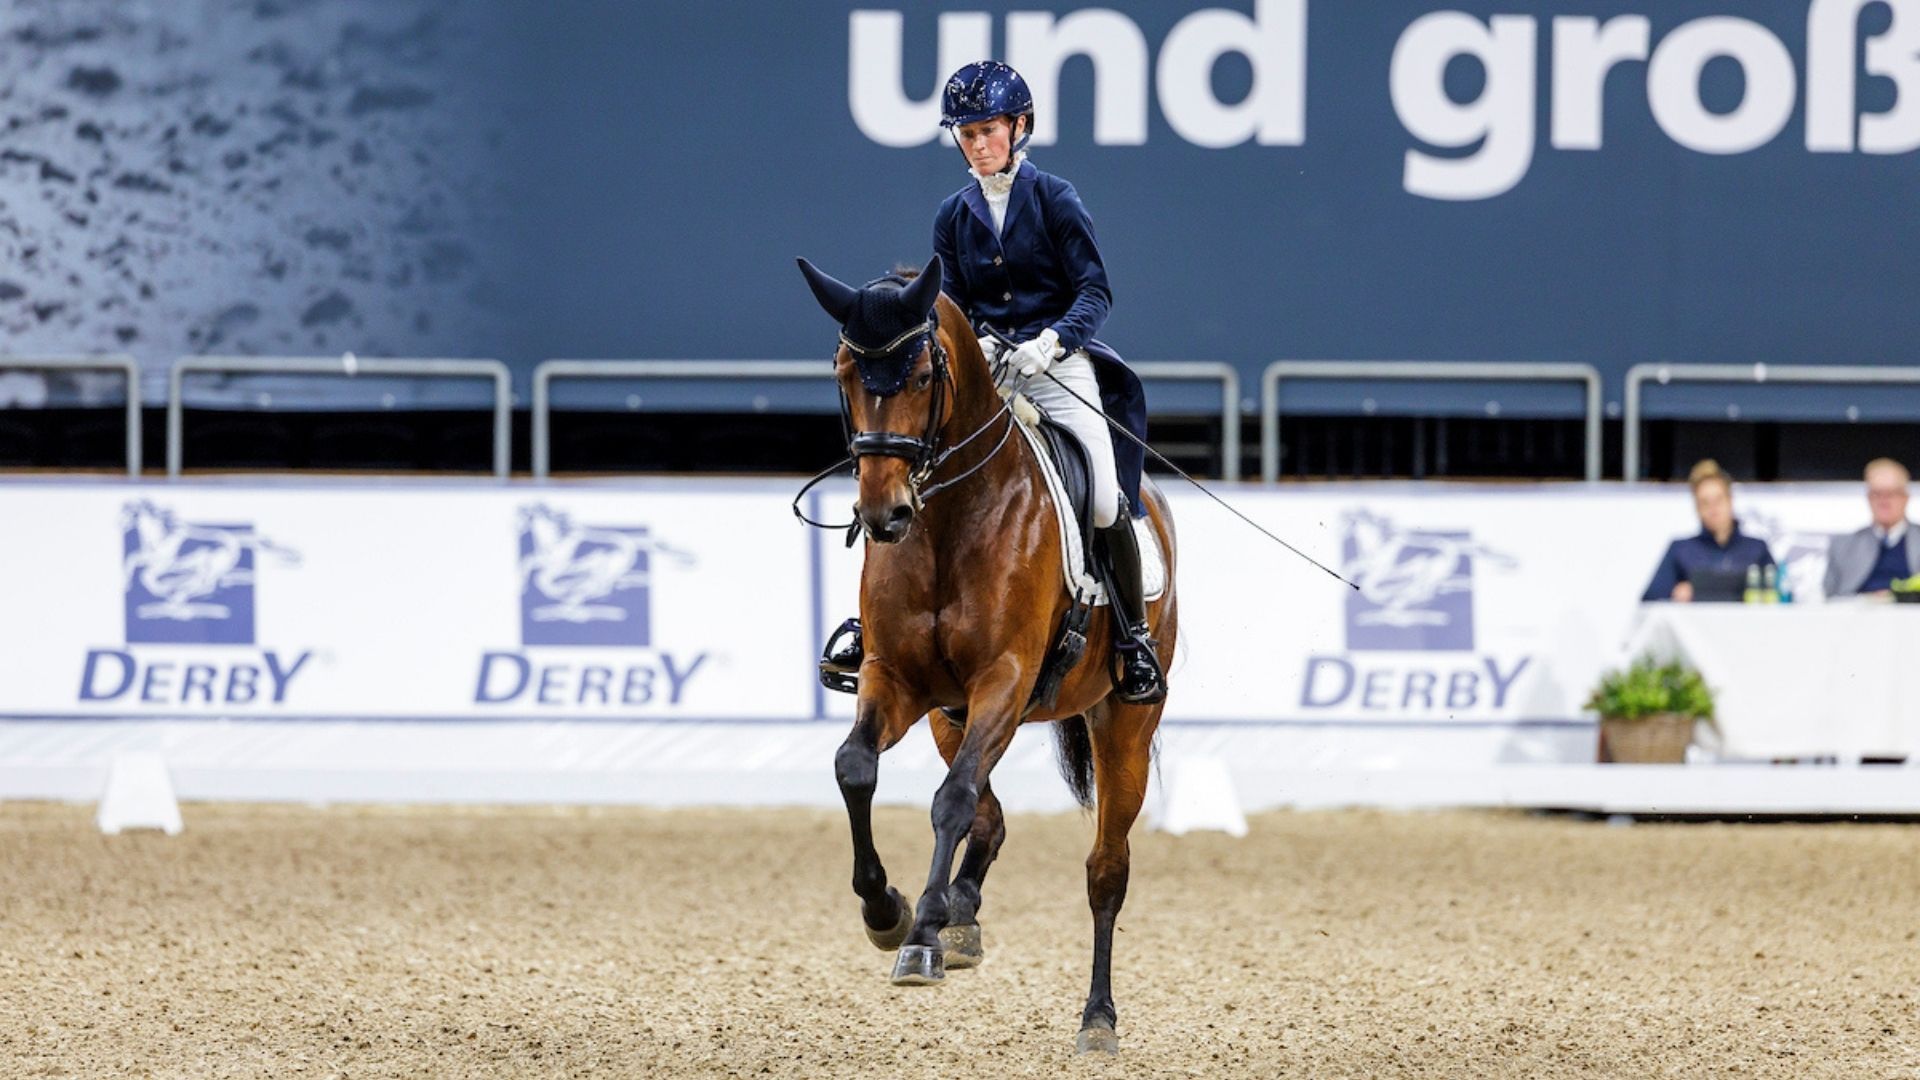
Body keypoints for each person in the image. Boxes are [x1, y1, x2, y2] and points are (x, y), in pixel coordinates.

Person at [820, 59, 1164, 704]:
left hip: (1057, 365)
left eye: (988, 131)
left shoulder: (1055, 198)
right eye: (968, 134)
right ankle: (879, 631)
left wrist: (1051, 342)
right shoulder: (953, 214)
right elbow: (950, 305)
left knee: (1102, 496)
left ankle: (1132, 637)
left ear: (1018, 127)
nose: (978, 145)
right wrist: (975, 344)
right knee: (915, 473)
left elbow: (1094, 291)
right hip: (987, 372)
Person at [1641, 459, 1775, 602]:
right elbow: (1650, 600)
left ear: (1730, 500)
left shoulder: (1756, 549)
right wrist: (1675, 593)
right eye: (1705, 502)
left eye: (1718, 500)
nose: (1713, 508)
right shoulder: (1681, 550)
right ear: (1697, 508)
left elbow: (1781, 597)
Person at [1823, 457, 1920, 598]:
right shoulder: (1843, 545)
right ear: (1868, 498)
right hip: (1854, 609)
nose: (1883, 501)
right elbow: (1829, 596)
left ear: (1905, 497)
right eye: (1877, 494)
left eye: (1891, 494)